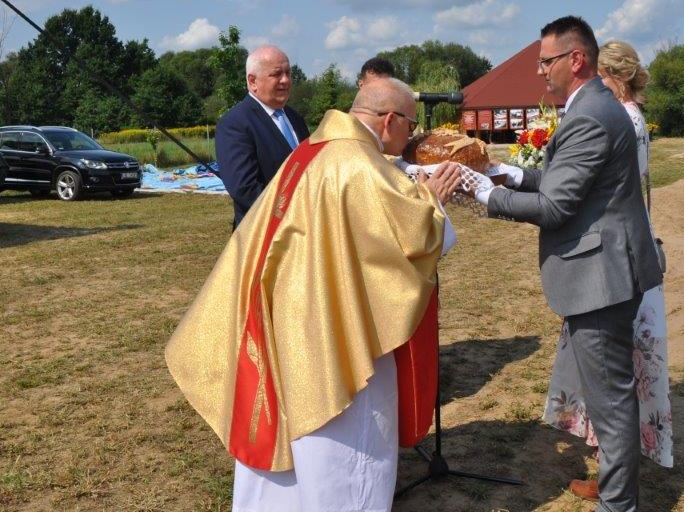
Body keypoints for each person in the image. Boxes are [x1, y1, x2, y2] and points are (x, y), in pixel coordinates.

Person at [166, 77, 463, 511]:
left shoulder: (310, 150)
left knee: (287, 448)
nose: (412, 135)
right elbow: (411, 243)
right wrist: (432, 202)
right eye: (411, 125)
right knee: (349, 450)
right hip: (333, 331)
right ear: (390, 120)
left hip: (284, 315)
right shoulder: (359, 164)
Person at [480, 16, 663, 512]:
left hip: (602, 278)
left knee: (611, 400)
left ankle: (617, 504)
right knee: (609, 395)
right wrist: (509, 174)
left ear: (575, 59)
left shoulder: (590, 113)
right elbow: (561, 181)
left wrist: (484, 194)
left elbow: (555, 206)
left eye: (546, 61)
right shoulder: (593, 105)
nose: (540, 70)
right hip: (606, 271)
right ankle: (616, 491)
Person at [540, 39, 673, 497]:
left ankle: (614, 485)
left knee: (611, 379)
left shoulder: (618, 119)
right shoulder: (631, 117)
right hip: (625, 249)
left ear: (613, 76)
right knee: (614, 374)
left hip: (609, 259)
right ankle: (614, 474)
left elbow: (590, 191)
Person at [215, 45, 310, 230]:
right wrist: (295, 215)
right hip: (265, 233)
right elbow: (245, 189)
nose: (285, 80)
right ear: (253, 81)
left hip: (304, 231)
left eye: (288, 73)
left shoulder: (295, 118)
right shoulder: (235, 124)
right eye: (277, 74)